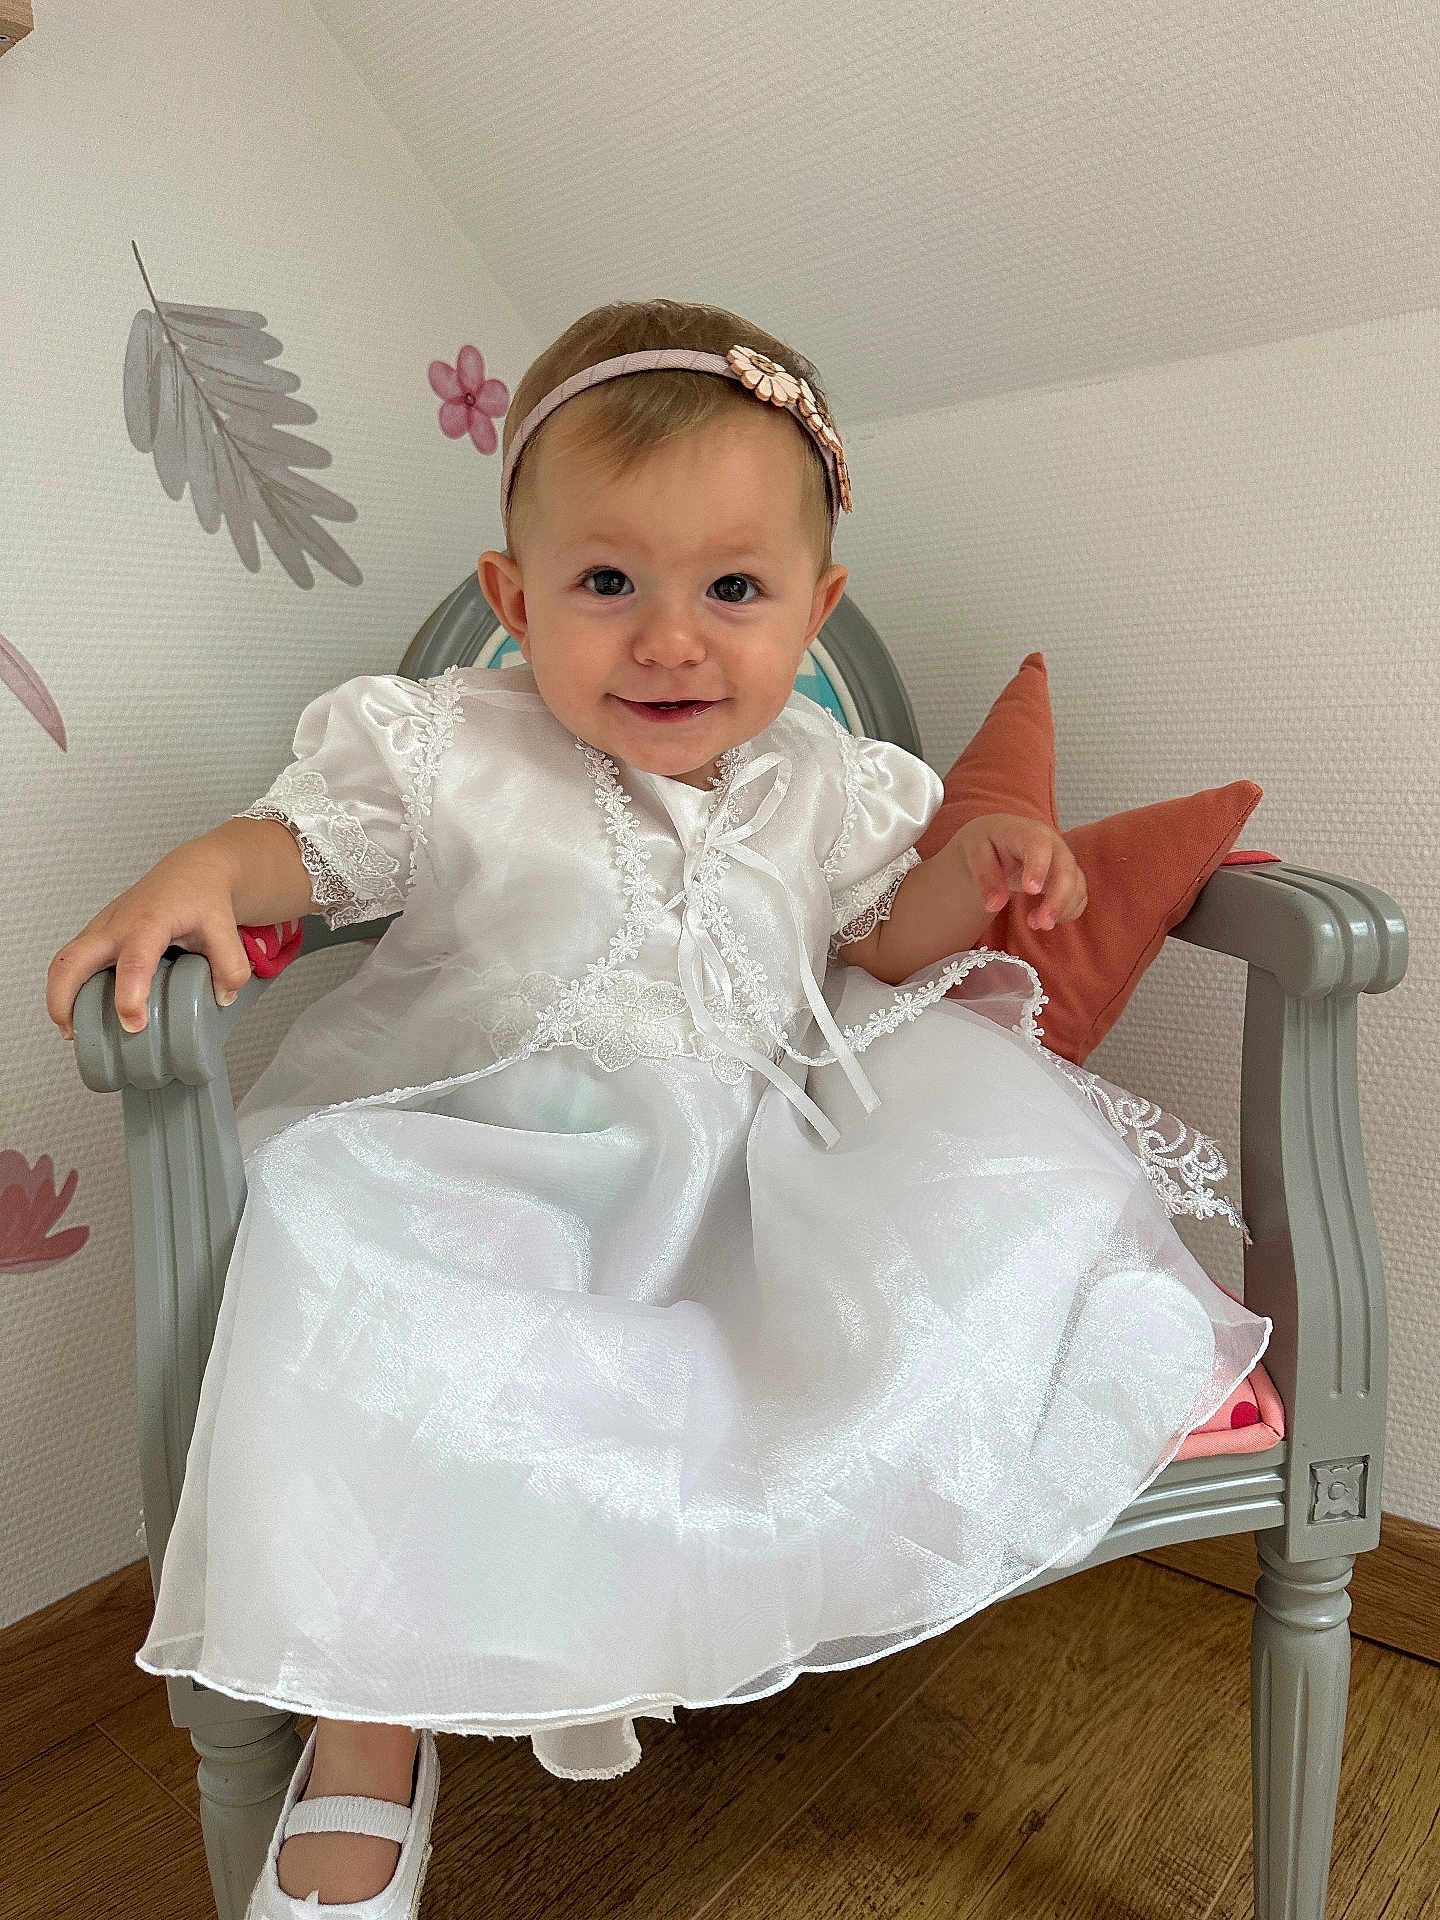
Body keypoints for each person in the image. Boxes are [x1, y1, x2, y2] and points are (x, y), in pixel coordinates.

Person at [46, 298, 1271, 1914]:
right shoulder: (451, 749)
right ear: (515, 598)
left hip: (740, 1177)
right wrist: (208, 864)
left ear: (816, 609)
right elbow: (309, 845)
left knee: (983, 1197)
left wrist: (973, 877)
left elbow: (876, 943)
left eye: (735, 589)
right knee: (346, 1244)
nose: (671, 637)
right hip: (479, 1153)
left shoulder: (831, 783)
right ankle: (366, 1735)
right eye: (608, 582)